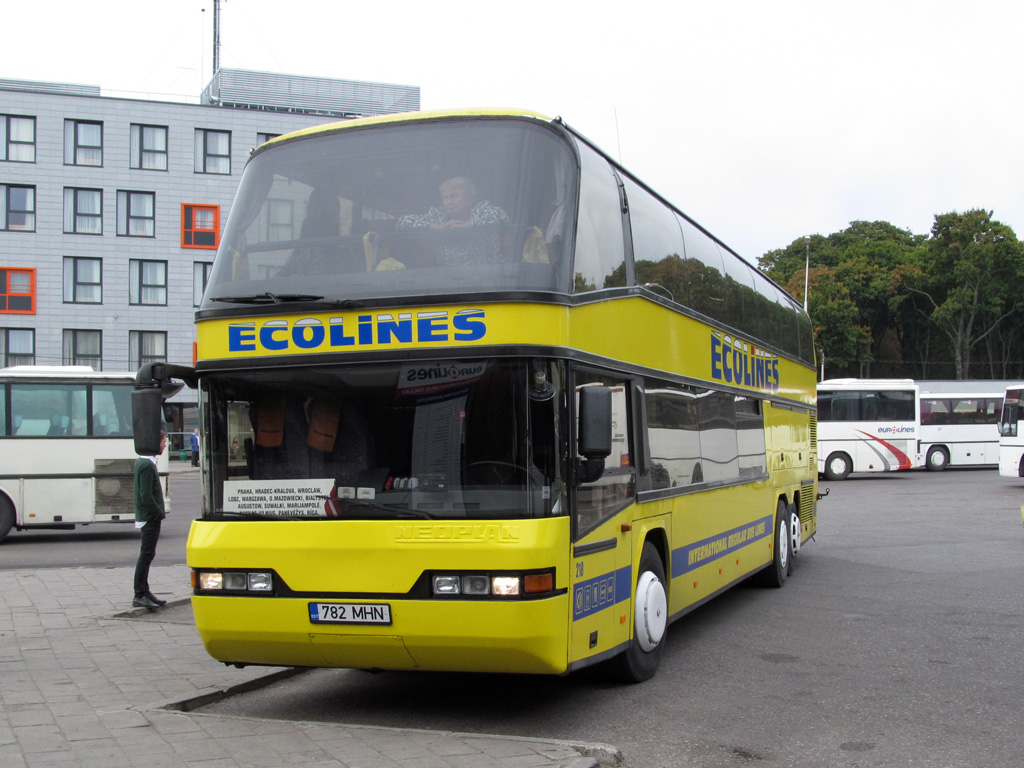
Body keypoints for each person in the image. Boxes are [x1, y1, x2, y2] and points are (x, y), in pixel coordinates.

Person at [397, 176, 509, 265]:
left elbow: (500, 215)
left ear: (469, 199)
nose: (449, 202)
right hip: (448, 282)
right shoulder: (437, 216)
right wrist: (435, 227)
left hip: (489, 280)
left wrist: (469, 225)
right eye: (445, 198)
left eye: (454, 196)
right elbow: (402, 222)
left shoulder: (482, 210)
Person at [133, 430, 167, 610]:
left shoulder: (145, 462)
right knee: (146, 555)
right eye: (163, 441)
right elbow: (146, 495)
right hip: (149, 518)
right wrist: (159, 512)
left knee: (148, 554)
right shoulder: (146, 465)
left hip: (148, 517)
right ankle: (140, 593)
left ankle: (145, 591)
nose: (165, 445)